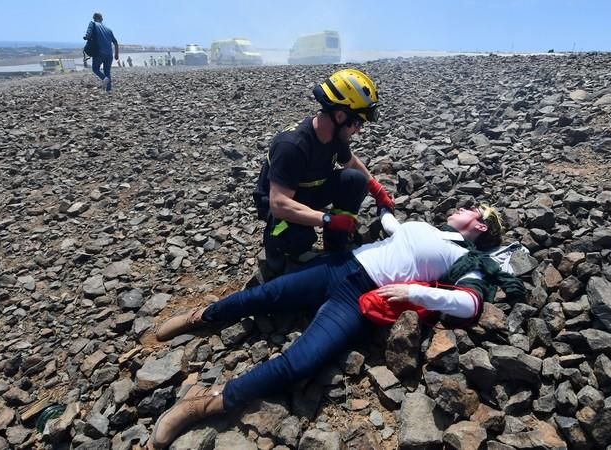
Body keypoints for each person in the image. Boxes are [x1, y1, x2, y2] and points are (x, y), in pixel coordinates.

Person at [148, 204, 525, 449]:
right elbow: (392, 223)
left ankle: (204, 405)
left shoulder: (467, 258)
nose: (460, 207)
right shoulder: (426, 227)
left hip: (360, 300)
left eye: (471, 209)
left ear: (479, 224)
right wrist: (377, 196)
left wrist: (412, 291)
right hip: (341, 266)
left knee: (302, 362)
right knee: (265, 295)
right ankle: (202, 318)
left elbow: (470, 302)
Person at [252, 68, 394, 280]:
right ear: (339, 115)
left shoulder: (336, 136)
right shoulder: (292, 146)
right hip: (280, 206)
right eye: (357, 123)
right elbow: (279, 204)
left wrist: (377, 191)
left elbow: (351, 163)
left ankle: (335, 243)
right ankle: (277, 252)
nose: (359, 130)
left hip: (310, 191)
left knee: (355, 180)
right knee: (298, 237)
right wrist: (328, 219)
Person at [83, 12, 119, 92]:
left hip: (99, 52)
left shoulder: (92, 23)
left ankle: (104, 79)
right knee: (107, 71)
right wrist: (116, 54)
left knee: (95, 69)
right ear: (101, 19)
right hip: (109, 54)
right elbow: (115, 42)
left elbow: (88, 33)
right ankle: (109, 90)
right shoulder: (109, 29)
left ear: (94, 18)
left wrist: (86, 37)